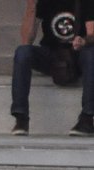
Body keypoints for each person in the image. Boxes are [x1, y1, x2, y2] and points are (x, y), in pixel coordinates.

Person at [10, 0, 94, 136]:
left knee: (91, 53)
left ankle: (87, 119)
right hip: (53, 55)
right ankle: (21, 118)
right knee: (22, 52)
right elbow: (26, 40)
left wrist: (83, 41)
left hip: (78, 55)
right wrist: (31, 6)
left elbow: (92, 33)